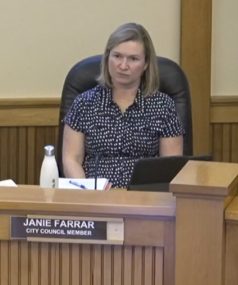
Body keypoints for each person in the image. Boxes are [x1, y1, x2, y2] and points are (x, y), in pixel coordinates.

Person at [61, 23, 185, 189]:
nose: (123, 66)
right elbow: (71, 159)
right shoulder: (84, 103)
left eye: (133, 59)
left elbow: (169, 168)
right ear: (107, 57)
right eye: (117, 56)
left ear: (146, 64)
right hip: (95, 197)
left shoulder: (163, 106)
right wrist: (88, 191)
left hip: (144, 197)